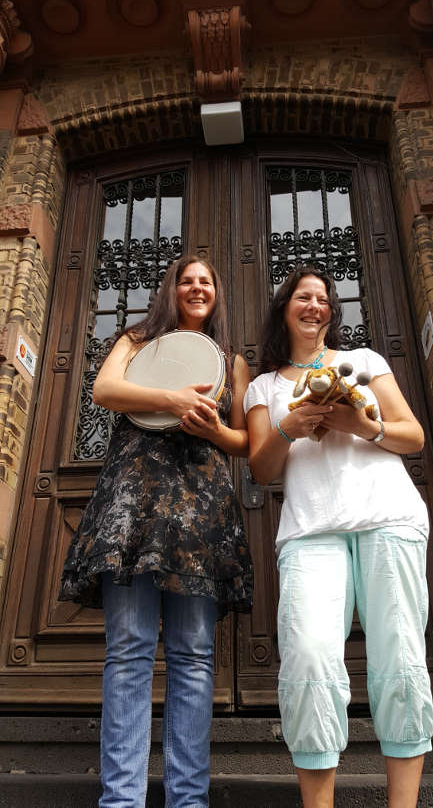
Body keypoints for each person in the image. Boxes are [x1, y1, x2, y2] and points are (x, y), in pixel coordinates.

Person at [59, 254, 253, 808]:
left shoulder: (230, 360)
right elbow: (105, 390)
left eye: (206, 282)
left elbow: (243, 442)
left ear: (216, 294)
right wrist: (171, 398)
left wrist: (214, 426)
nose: (197, 288)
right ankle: (121, 799)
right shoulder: (138, 338)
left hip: (199, 512)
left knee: (193, 655)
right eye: (186, 280)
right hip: (133, 507)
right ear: (172, 289)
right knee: (129, 651)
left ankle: (187, 799)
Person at [243, 267, 433, 808]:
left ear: (331, 312)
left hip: (388, 517)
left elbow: (412, 435)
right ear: (284, 309)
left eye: (323, 299)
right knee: (307, 658)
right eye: (303, 297)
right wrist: (290, 428)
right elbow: (261, 469)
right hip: (309, 529)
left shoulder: (366, 361)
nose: (314, 306)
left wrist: (362, 425)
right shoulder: (265, 386)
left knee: (400, 658)